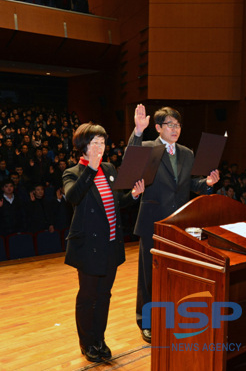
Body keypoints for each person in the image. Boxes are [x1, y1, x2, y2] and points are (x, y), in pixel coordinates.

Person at [128, 104, 219, 343]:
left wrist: (207, 183)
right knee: (149, 274)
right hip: (152, 220)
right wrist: (138, 132)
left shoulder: (187, 153)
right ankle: (145, 321)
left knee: (176, 272)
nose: (175, 128)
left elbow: (191, 184)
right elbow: (131, 158)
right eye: (170, 124)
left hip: (179, 222)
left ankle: (170, 316)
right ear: (158, 127)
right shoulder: (148, 148)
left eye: (178, 125)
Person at [63, 123, 144, 363]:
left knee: (104, 295)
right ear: (83, 146)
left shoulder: (109, 169)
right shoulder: (73, 172)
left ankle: (99, 339)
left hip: (110, 246)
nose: (100, 147)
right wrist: (91, 170)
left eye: (102, 142)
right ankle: (86, 342)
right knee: (88, 297)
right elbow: (73, 197)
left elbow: (118, 203)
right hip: (88, 248)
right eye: (95, 143)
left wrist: (134, 196)